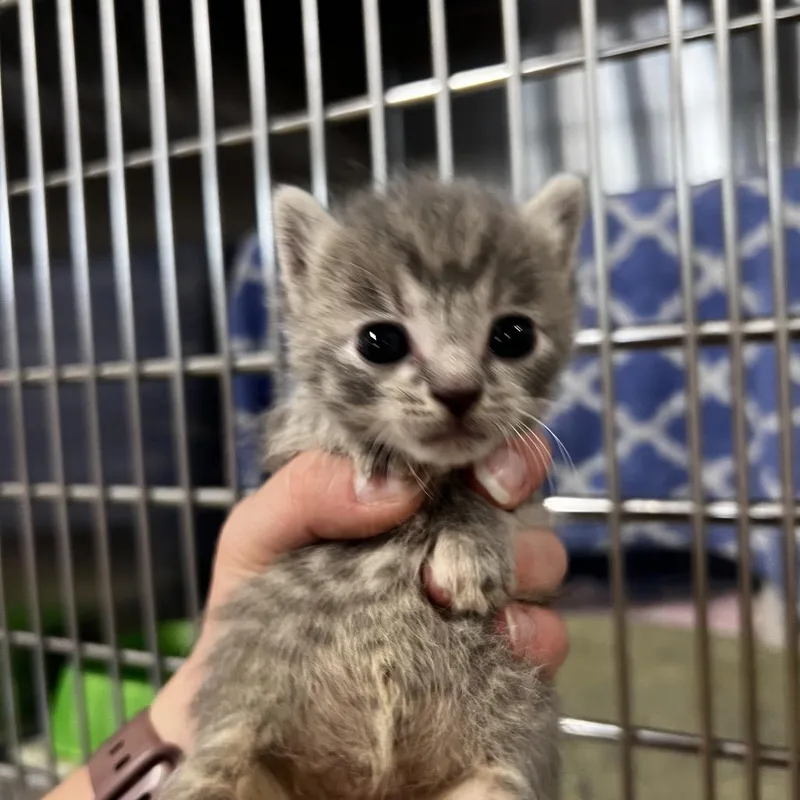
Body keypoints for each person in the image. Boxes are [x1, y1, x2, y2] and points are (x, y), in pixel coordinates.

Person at [44, 437, 568, 799]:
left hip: (462, 745)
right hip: (281, 749)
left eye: (508, 339)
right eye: (380, 342)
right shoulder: (327, 443)